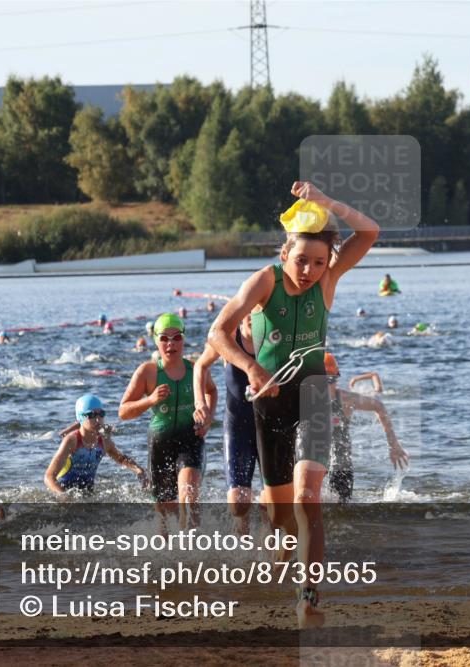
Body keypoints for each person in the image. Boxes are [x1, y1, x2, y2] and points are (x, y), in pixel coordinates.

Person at [209, 181, 379, 628]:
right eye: (301, 259)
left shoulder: (328, 279)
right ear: (285, 253)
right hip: (269, 403)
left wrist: (326, 203)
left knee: (308, 500)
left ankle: (308, 597)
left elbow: (369, 232)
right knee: (280, 514)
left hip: (313, 396)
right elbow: (217, 334)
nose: (308, 270)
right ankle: (281, 550)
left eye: (318, 262)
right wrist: (250, 367)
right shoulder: (263, 281)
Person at [120, 313, 216, 529]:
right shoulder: (148, 371)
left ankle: (193, 550)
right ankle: (166, 555)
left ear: (184, 339)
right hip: (160, 442)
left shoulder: (195, 369)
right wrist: (150, 399)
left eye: (177, 337)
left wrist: (208, 416)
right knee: (164, 514)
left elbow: (212, 390)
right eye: (164, 338)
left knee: (189, 494)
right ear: (156, 341)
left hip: (191, 438)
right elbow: (123, 411)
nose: (171, 343)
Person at [193, 315, 261, 535]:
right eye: (246, 311)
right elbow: (200, 366)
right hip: (237, 424)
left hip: (269, 427)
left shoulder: (272, 340)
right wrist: (200, 403)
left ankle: (272, 548)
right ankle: (242, 543)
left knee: (277, 500)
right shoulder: (229, 340)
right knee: (238, 504)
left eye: (256, 311)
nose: (250, 316)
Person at [323, 353, 409, 504]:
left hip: (340, 466)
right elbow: (379, 406)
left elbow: (379, 406)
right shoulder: (306, 399)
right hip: (319, 464)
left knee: (338, 510)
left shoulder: (345, 399)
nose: (329, 385)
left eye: (330, 381)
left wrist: (393, 444)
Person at [44, 394, 147, 499]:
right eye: (92, 415)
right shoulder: (72, 441)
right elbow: (49, 477)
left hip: (88, 493)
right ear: (80, 417)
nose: (98, 419)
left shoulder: (104, 441)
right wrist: (64, 496)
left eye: (101, 414)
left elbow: (121, 458)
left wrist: (139, 470)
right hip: (65, 492)